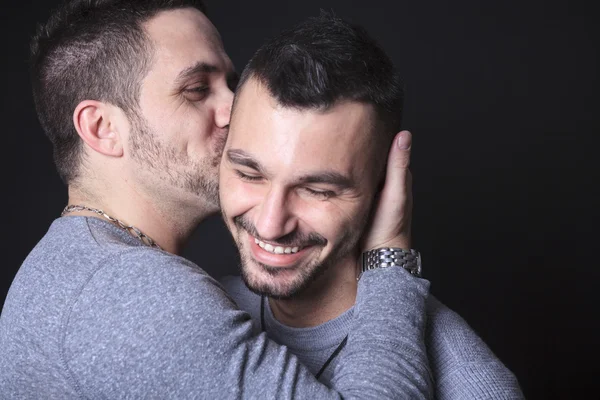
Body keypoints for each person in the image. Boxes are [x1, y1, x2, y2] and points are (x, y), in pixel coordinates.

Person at [0, 1, 434, 398]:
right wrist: (388, 257)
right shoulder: (129, 293)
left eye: (229, 82)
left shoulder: (80, 267)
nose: (236, 107)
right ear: (102, 128)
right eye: (196, 89)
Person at [219, 12, 526, 400]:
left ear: (386, 189)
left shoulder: (473, 386)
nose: (270, 223)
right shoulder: (204, 307)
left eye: (318, 190)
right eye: (249, 174)